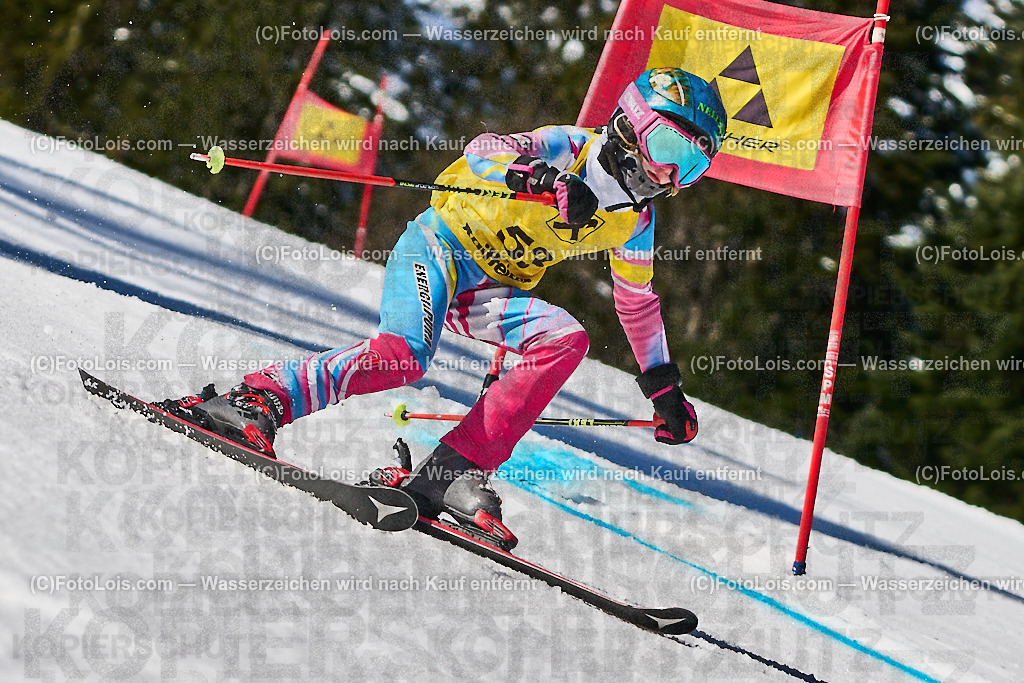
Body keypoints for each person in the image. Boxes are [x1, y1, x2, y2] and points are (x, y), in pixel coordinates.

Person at [162, 67, 727, 548]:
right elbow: (483, 152)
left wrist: (663, 386)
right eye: (670, 151)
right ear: (630, 126)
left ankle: (454, 470)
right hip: (440, 250)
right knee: (403, 358)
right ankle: (252, 401)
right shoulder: (571, 149)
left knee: (566, 339)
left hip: (491, 291)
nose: (672, 176)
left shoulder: (637, 220)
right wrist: (542, 177)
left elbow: (636, 299)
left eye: (694, 168)